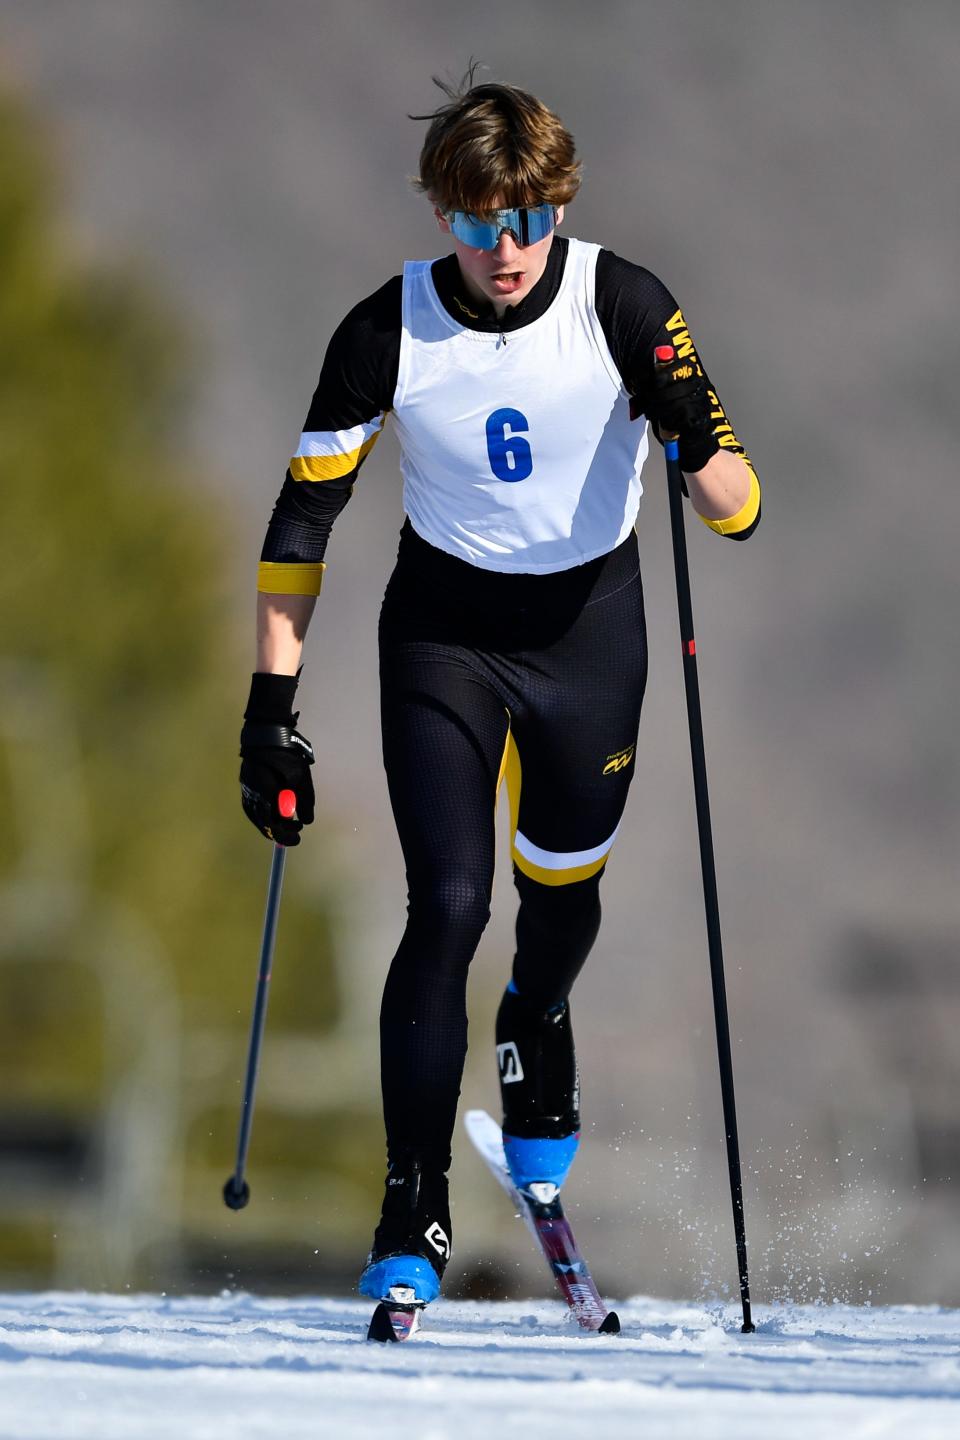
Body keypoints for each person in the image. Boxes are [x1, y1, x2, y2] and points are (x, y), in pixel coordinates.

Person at [238, 72, 760, 1308]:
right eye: (479, 223)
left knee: (558, 900)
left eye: (529, 220)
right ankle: (412, 1197)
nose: (507, 249)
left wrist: (697, 443)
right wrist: (269, 713)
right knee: (449, 906)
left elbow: (738, 509)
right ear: (442, 218)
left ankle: (537, 1020)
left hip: (591, 638)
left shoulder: (625, 302)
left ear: (559, 206)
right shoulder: (387, 331)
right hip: (444, 640)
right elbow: (300, 526)